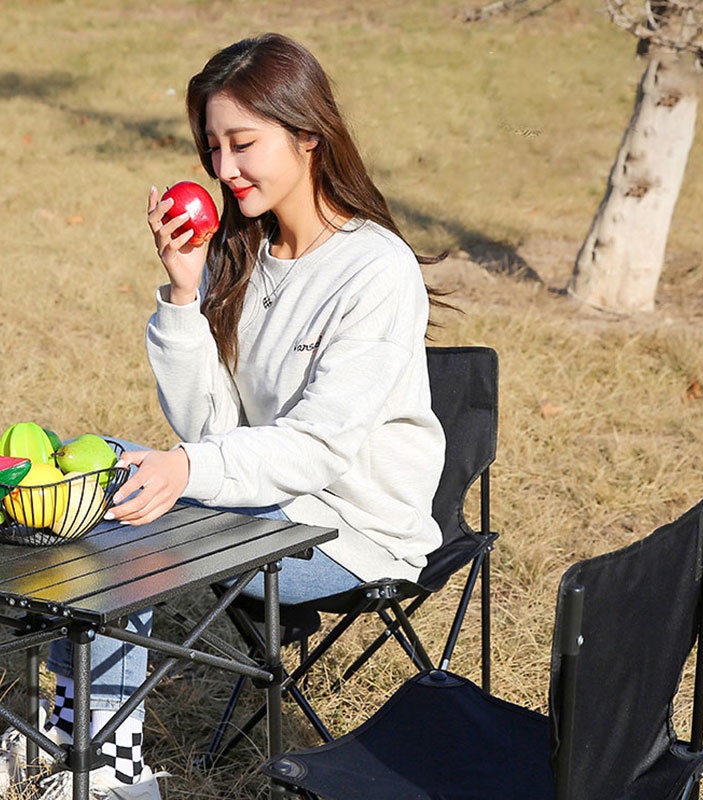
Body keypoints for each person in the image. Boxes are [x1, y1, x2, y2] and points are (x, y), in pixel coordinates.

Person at [0, 31, 446, 800]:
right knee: (97, 469)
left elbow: (315, 448)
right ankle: (63, 729)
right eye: (213, 148)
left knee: (129, 518)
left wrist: (185, 470)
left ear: (308, 135)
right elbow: (210, 430)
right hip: (265, 499)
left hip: (351, 533)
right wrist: (183, 292)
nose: (224, 167)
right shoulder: (245, 254)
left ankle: (110, 769)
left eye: (243, 143)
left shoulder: (375, 270)